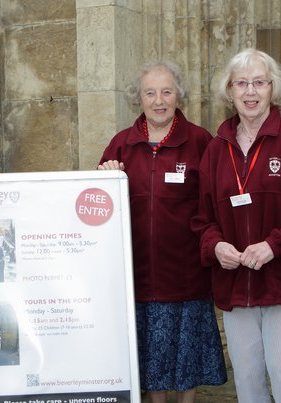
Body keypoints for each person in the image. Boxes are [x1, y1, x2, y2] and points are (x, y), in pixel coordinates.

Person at [191, 48, 281, 403]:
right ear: (229, 91)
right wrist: (215, 246)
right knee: (248, 378)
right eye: (241, 83)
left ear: (273, 89)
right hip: (236, 285)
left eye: (259, 82)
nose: (250, 92)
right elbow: (202, 219)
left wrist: (275, 245)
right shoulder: (215, 150)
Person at [98, 60, 227, 403]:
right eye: (150, 92)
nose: (159, 100)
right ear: (138, 99)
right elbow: (98, 206)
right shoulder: (121, 145)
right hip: (139, 274)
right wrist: (106, 174)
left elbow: (216, 202)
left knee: (187, 356)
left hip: (187, 274)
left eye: (166, 92)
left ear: (178, 96)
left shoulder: (201, 141)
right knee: (152, 357)